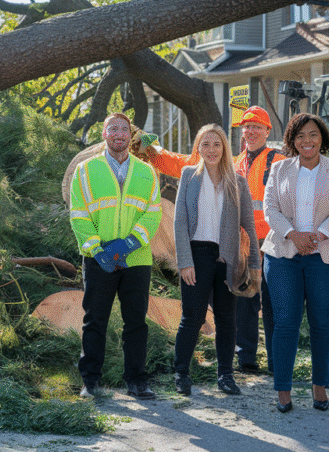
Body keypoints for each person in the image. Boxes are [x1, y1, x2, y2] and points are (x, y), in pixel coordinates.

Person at [140, 105, 285, 373]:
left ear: (267, 131)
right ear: (242, 132)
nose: (251, 131)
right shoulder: (235, 163)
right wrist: (154, 153)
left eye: (257, 126)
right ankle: (246, 358)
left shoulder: (278, 160)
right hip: (242, 246)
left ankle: (278, 364)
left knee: (274, 304)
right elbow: (185, 162)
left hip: (273, 243)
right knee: (245, 303)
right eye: (247, 126)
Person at [262, 113, 329, 413]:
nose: (307, 141)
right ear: (292, 140)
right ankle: (284, 391)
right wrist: (293, 235)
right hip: (283, 254)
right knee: (286, 322)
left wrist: (317, 236)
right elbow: (270, 209)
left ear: (322, 138)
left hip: (324, 256)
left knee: (322, 322)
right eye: (300, 136)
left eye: (313, 134)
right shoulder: (278, 169)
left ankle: (319, 386)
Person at [70, 113, 163, 400]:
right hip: (99, 260)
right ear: (104, 134)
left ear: (130, 135)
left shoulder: (146, 171)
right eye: (113, 129)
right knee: (95, 320)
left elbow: (153, 211)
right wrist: (99, 250)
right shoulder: (84, 170)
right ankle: (91, 382)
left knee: (136, 321)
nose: (119, 134)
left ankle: (137, 381)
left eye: (124, 129)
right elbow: (78, 214)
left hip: (136, 259)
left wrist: (130, 243)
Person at [172, 124, 260, 397]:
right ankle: (181, 373)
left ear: (225, 148)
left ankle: (225, 375)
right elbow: (179, 222)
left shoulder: (238, 181)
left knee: (226, 318)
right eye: (206, 144)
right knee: (193, 316)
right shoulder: (188, 176)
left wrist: (255, 263)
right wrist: (184, 261)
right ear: (198, 147)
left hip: (228, 258)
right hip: (196, 255)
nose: (212, 150)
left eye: (217, 144)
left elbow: (248, 224)